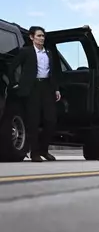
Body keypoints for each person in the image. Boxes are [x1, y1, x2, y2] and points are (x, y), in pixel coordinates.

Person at [7, 26, 61, 162]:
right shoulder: (26, 51)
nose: (41, 38)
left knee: (51, 120)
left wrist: (56, 89)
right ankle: (35, 153)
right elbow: (12, 67)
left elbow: (53, 73)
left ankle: (44, 150)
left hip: (46, 87)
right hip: (32, 89)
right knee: (33, 121)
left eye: (43, 36)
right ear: (32, 37)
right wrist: (15, 83)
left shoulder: (48, 52)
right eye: (38, 36)